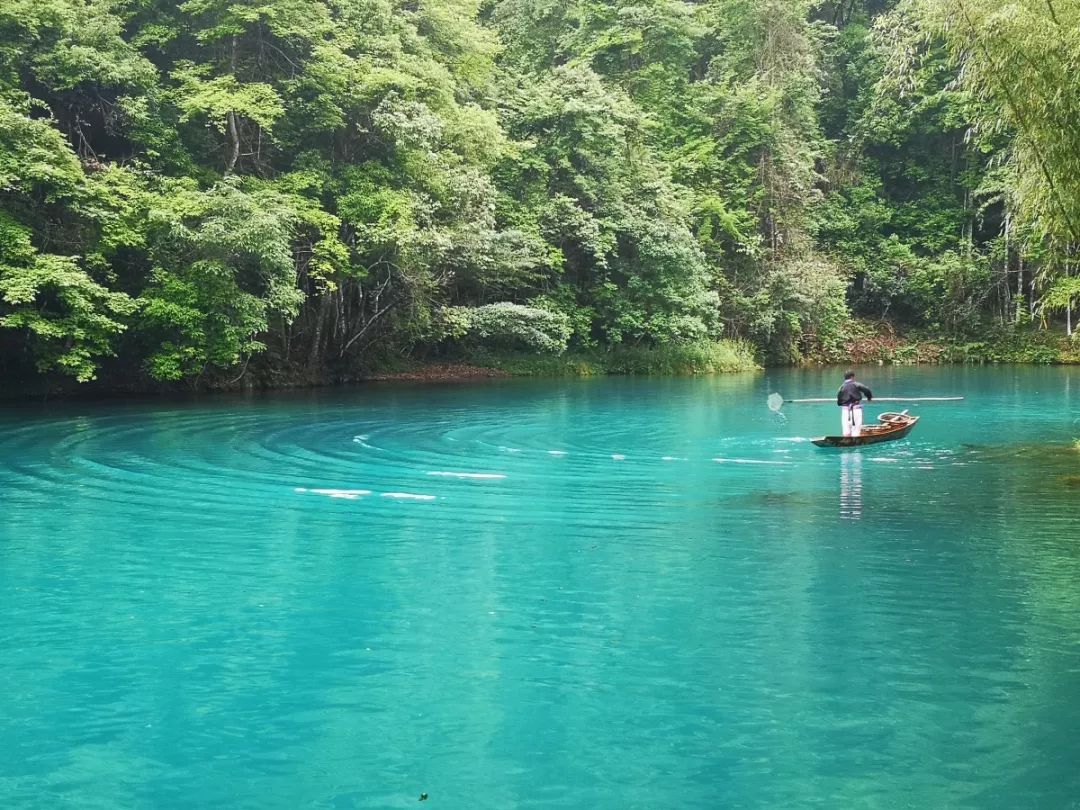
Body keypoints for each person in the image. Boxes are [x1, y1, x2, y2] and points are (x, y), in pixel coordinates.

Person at [836, 371, 873, 437]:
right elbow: (866, 390)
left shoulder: (841, 387)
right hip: (855, 409)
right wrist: (869, 398)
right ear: (852, 377)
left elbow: (839, 400)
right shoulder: (856, 384)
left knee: (846, 429)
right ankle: (855, 442)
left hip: (845, 411)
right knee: (856, 429)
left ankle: (846, 439)